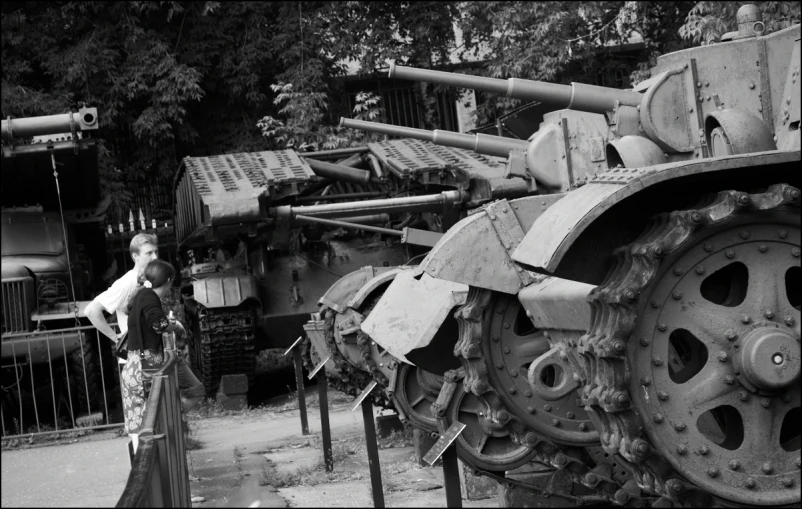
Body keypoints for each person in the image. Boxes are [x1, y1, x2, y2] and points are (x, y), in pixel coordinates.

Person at [121, 259, 184, 452]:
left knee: (138, 423)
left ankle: (142, 470)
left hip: (133, 367)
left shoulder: (141, 295)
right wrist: (175, 326)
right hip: (145, 368)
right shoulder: (149, 296)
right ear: (168, 280)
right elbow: (159, 324)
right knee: (154, 422)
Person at [85, 233, 159, 345]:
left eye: (155, 252)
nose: (155, 257)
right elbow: (91, 311)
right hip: (136, 357)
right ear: (135, 256)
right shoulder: (127, 282)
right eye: (149, 253)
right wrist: (116, 338)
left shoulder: (148, 279)